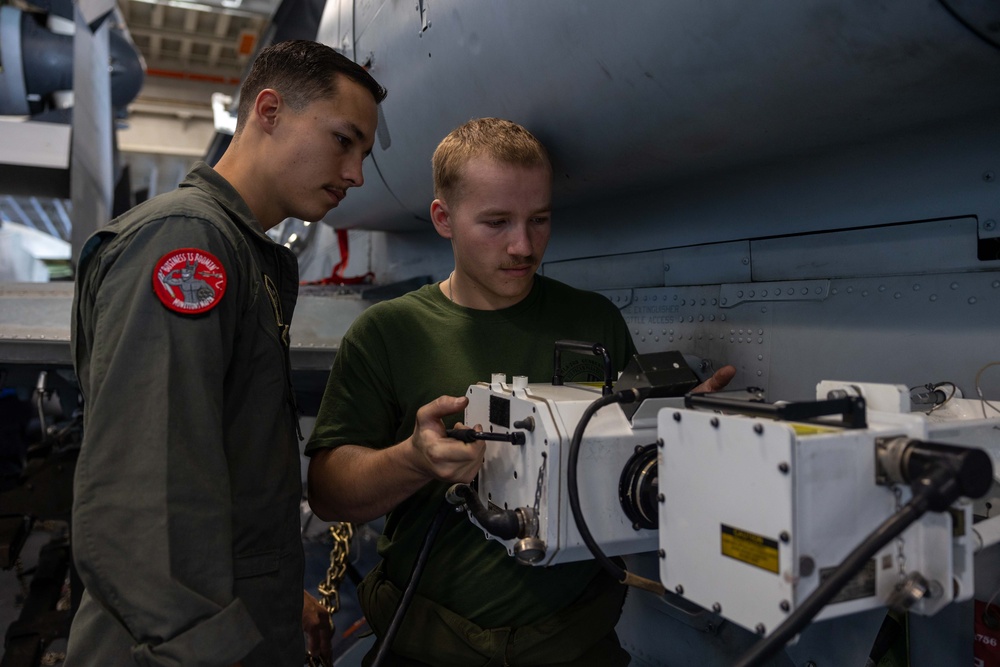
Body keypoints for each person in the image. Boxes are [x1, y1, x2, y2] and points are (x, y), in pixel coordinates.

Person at [306, 117, 736, 666]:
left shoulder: (593, 320)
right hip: (427, 641)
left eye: (539, 220)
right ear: (444, 218)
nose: (523, 245)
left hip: (573, 644)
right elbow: (328, 491)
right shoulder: (389, 333)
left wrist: (683, 430)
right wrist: (413, 459)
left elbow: (625, 461)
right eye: (496, 222)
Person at [66, 40, 386, 667]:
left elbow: (221, 465)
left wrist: (265, 594)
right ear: (269, 111)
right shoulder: (189, 243)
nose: (356, 174)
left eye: (364, 153)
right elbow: (143, 495)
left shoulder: (245, 254)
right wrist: (204, 644)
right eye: (343, 141)